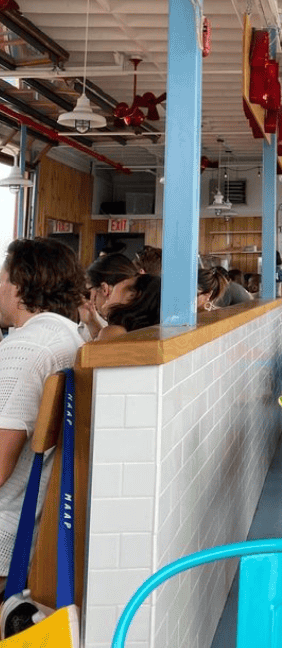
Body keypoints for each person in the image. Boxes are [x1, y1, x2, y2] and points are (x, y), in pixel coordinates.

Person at [0, 238, 86, 578]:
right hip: (33, 524)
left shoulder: (26, 347)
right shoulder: (71, 337)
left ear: (19, 286)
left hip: (8, 532)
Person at [80, 253, 140, 339]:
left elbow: (106, 344)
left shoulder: (116, 329)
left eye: (89, 292)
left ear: (104, 289)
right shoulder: (143, 313)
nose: (90, 300)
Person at [98, 275, 161, 340]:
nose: (108, 289)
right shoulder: (146, 334)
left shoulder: (114, 332)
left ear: (132, 295)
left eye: (123, 281)